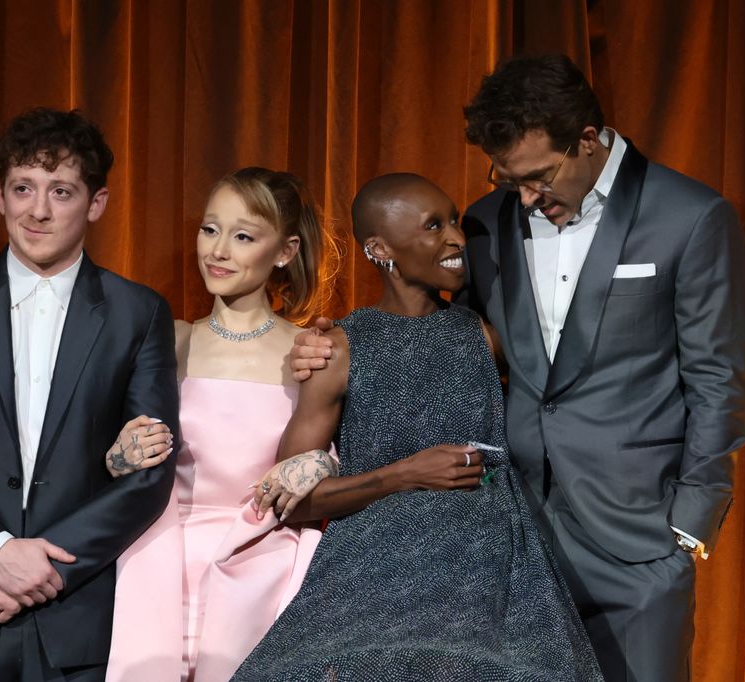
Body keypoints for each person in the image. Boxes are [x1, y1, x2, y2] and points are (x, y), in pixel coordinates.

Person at [292, 55, 745, 681]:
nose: (528, 198)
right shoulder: (486, 222)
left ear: (586, 141)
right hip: (505, 534)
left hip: (638, 531)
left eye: (538, 177)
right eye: (509, 180)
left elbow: (718, 378)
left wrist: (690, 520)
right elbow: (441, 343)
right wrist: (324, 347)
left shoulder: (690, 217)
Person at [234, 173, 602, 681]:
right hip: (375, 579)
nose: (455, 237)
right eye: (435, 226)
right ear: (380, 248)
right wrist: (403, 475)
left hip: (491, 577)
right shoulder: (339, 349)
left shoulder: (484, 336)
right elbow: (294, 500)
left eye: (454, 220)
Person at [0, 107, 180, 680]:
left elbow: (150, 470)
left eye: (61, 191)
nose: (37, 211)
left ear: (96, 203)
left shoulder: (139, 313)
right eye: (23, 188)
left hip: (80, 610)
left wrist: (46, 567)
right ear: (0, 195)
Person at [104, 167, 338, 682]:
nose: (218, 251)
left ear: (285, 251)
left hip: (263, 565)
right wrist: (119, 455)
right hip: (159, 561)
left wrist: (321, 462)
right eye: (210, 229)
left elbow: (343, 457)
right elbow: (102, 455)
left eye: (243, 236)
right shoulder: (168, 340)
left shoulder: (310, 351)